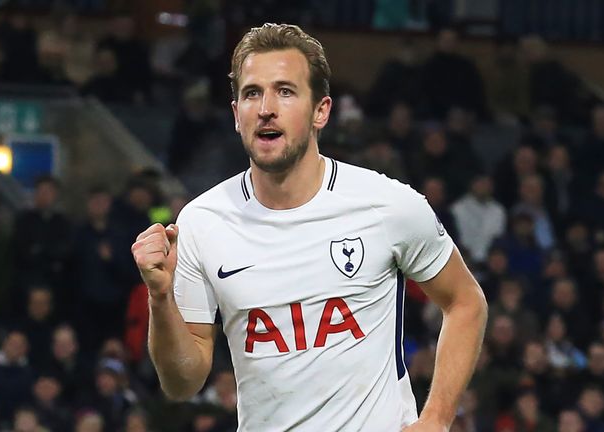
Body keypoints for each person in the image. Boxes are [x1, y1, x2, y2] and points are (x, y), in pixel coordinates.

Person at [131, 23, 488, 431]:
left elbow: (465, 302)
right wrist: (160, 299)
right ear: (235, 115)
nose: (266, 107)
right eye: (252, 93)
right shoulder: (202, 222)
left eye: (285, 91)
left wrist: (437, 420)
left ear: (321, 111)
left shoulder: (387, 205)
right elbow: (182, 382)